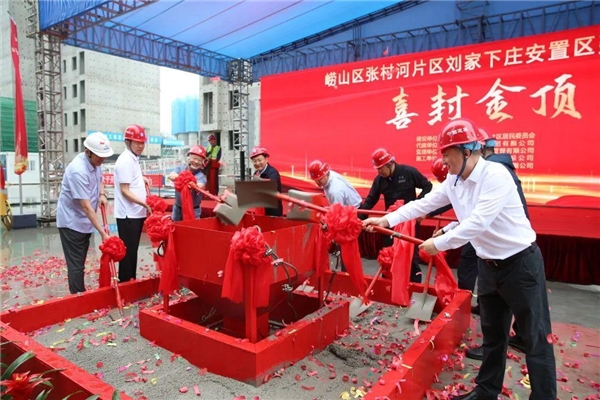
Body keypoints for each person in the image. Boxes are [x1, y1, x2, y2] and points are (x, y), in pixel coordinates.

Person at [363, 119, 556, 400]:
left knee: (535, 337)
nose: (442, 160)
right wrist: (387, 219)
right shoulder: (454, 181)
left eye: (446, 153)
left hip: (519, 265)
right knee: (493, 334)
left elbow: (478, 222)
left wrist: (438, 244)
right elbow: (424, 203)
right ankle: (486, 391)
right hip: (488, 265)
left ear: (466, 152)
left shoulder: (496, 176)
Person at [359, 148, 433, 282]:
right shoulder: (379, 180)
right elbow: (370, 200)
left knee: (411, 255)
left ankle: (413, 286)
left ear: (390, 163)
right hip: (389, 222)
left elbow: (427, 186)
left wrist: (417, 206)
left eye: (381, 168)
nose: (379, 171)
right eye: (377, 169)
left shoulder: (408, 172)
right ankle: (387, 284)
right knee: (388, 254)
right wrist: (359, 219)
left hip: (409, 222)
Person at [57, 132, 113, 294]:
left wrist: (102, 194)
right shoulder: (78, 171)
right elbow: (86, 206)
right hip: (72, 222)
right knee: (76, 264)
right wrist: (103, 233)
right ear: (87, 152)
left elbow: (100, 179)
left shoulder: (96, 163)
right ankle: (78, 296)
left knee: (80, 260)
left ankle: (80, 292)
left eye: (104, 157)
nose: (102, 160)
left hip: (85, 221)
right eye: (99, 157)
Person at [114, 124, 152, 284]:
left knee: (132, 251)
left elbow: (131, 179)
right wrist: (145, 204)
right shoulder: (125, 161)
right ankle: (126, 283)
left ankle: (130, 281)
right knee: (128, 253)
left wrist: (141, 179)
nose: (141, 146)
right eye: (137, 142)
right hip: (128, 215)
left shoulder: (133, 158)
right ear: (127, 142)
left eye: (142, 143)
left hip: (135, 213)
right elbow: (125, 190)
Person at [168, 145, 208, 221]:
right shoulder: (180, 168)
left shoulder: (201, 177)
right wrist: (183, 178)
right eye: (194, 158)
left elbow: (199, 186)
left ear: (202, 162)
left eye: (199, 160)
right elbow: (171, 176)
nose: (196, 161)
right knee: (174, 227)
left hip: (193, 210)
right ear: (189, 158)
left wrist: (191, 184)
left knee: (192, 228)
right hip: (177, 208)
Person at [250, 146, 283, 216]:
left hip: (272, 211)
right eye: (254, 161)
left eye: (259, 160)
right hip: (260, 209)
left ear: (266, 159)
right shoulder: (256, 173)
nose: (257, 163)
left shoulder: (273, 172)